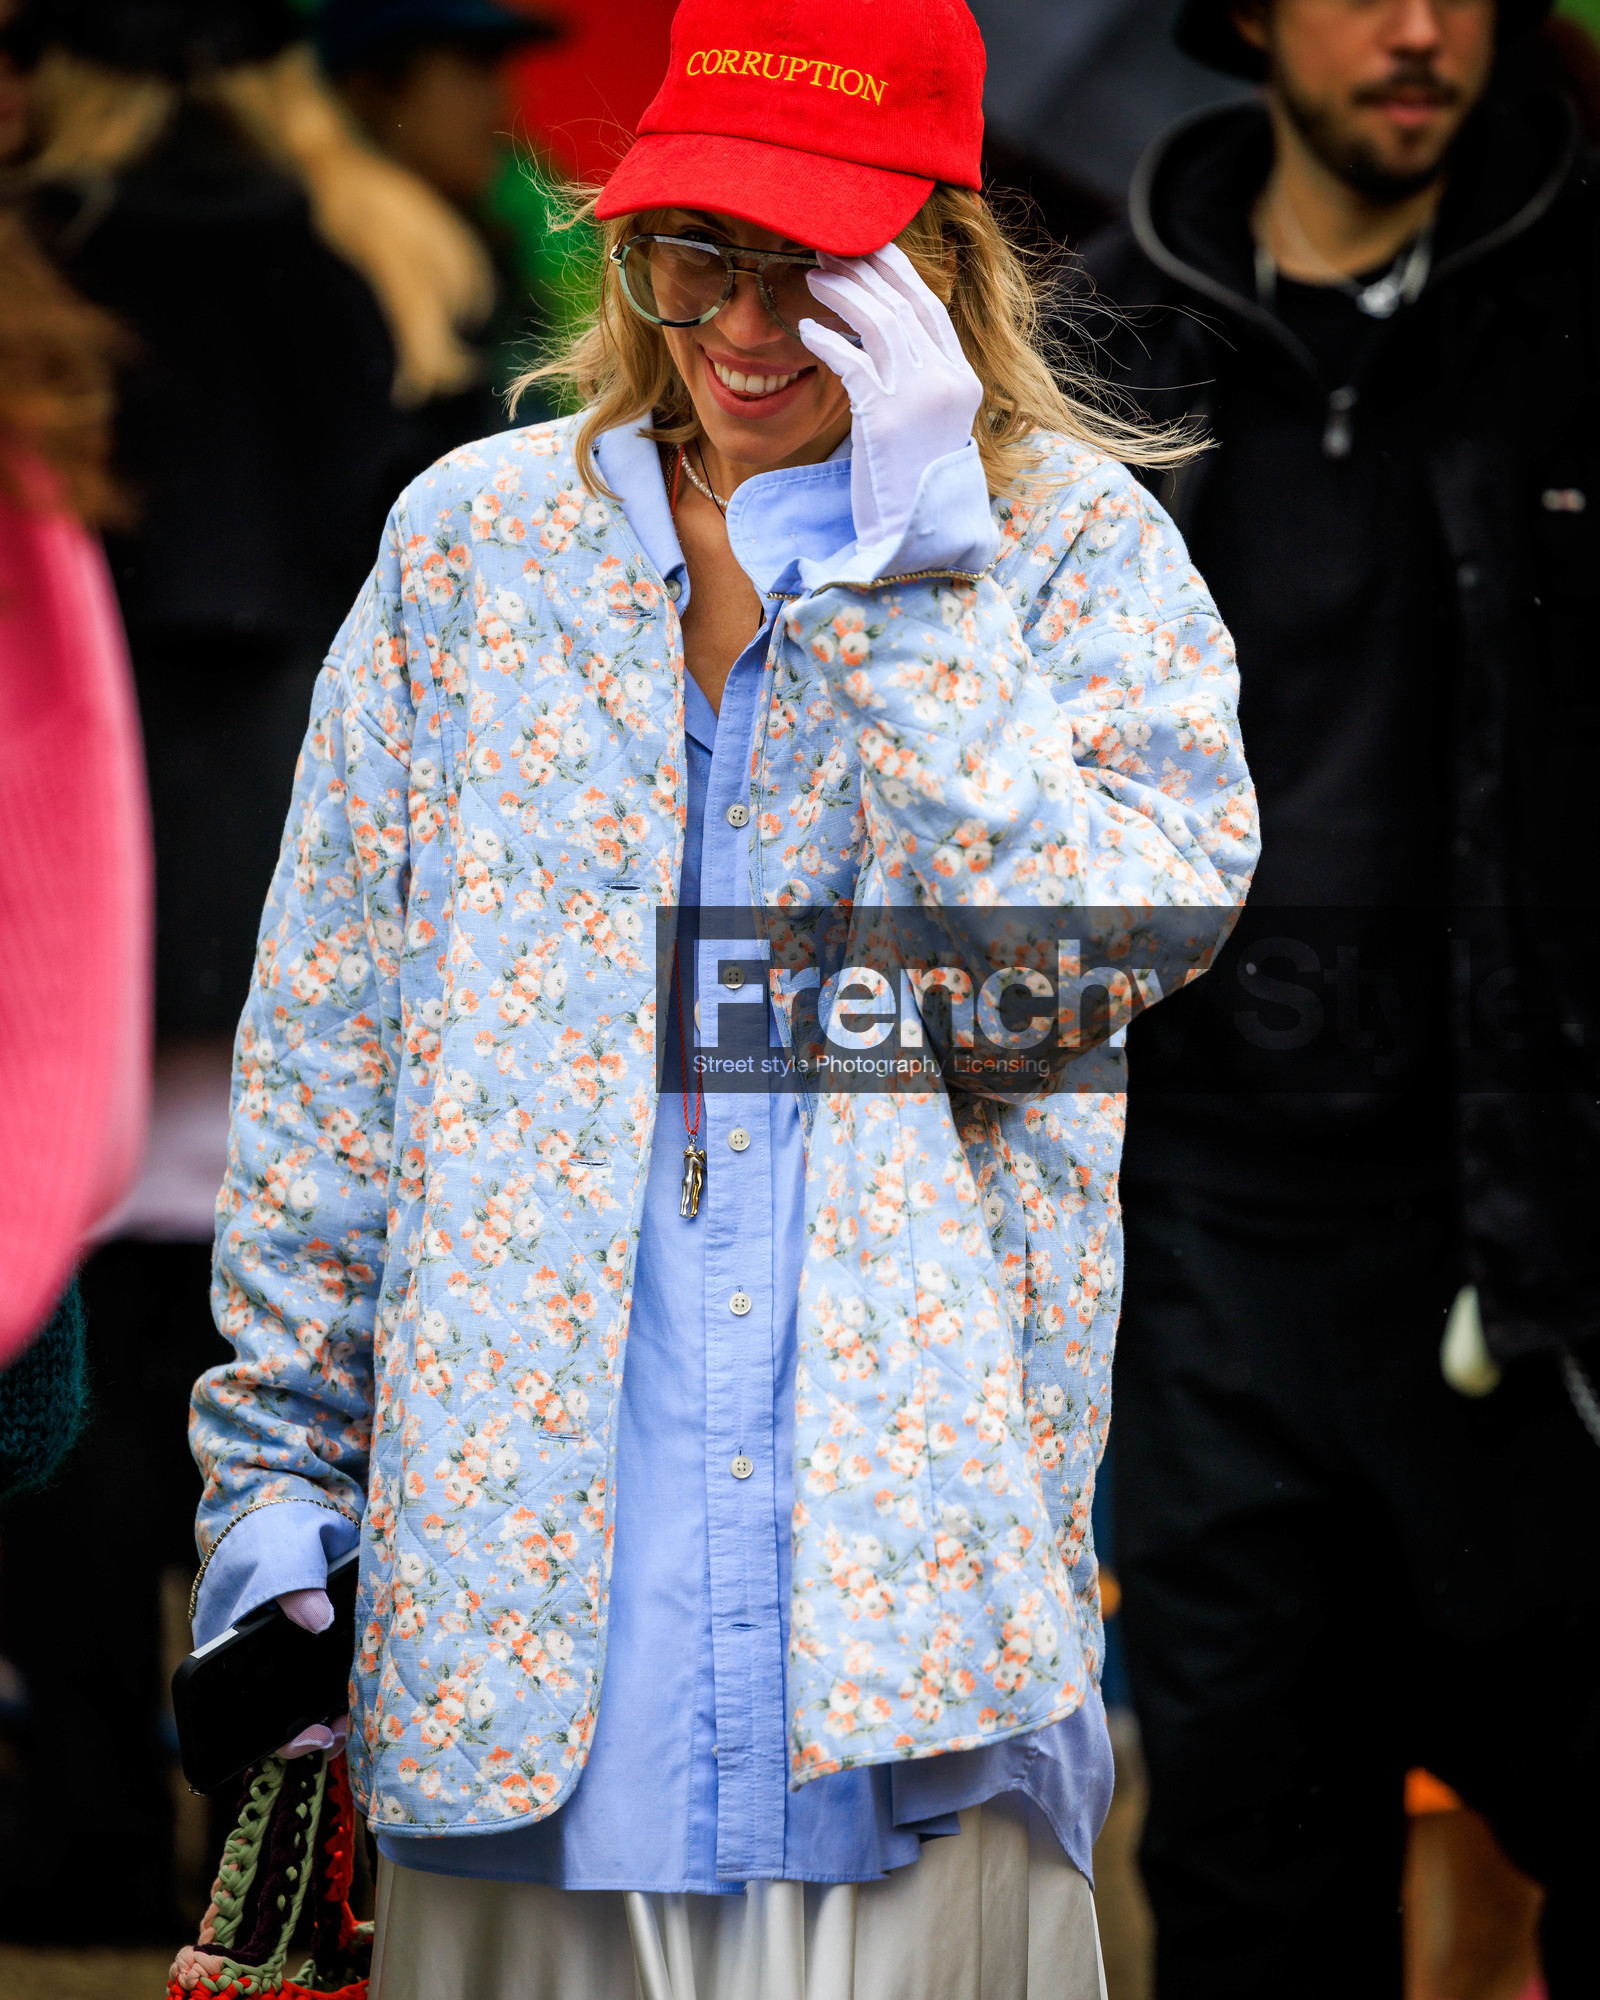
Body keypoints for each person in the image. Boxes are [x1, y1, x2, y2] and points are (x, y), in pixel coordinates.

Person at [185, 0, 1256, 1991]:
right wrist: (271, 1504)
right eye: (699, 254)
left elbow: (1064, 982)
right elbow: (331, 1067)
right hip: (513, 1646)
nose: (750, 327)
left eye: (819, 268)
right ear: (627, 244)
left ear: (938, 259)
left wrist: (912, 587)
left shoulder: (1070, 558)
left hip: (901, 1649)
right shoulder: (470, 557)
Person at [1077, 1, 1600, 1993]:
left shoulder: (1565, 310)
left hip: (1528, 1248)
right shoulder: (1111, 341)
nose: (1413, 28)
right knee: (1244, 1892)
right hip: (1201, 1247)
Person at [0, 0, 495, 1943]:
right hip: (328, 893)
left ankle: (88, 1811)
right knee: (306, 1372)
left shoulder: (45, 259)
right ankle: (287, 1833)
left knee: (67, 1374)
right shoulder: (404, 255)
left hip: (86, 905)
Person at [317, 0, 565, 467]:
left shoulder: (484, 234)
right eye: (472, 68)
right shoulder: (335, 263)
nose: (499, 104)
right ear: (371, 90)